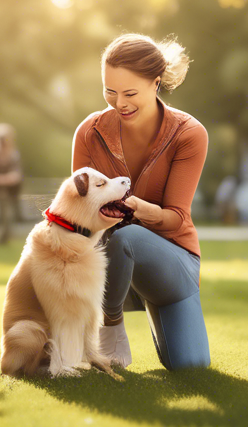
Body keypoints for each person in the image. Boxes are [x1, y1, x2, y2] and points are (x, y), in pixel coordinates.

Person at [72, 33, 210, 371]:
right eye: (110, 92)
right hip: (105, 264)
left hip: (171, 260)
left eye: (130, 93)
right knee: (118, 239)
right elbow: (78, 212)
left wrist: (145, 212)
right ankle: (110, 320)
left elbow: (177, 218)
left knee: (191, 367)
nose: (119, 103)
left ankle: (149, 308)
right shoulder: (89, 132)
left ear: (156, 83)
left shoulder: (189, 134)